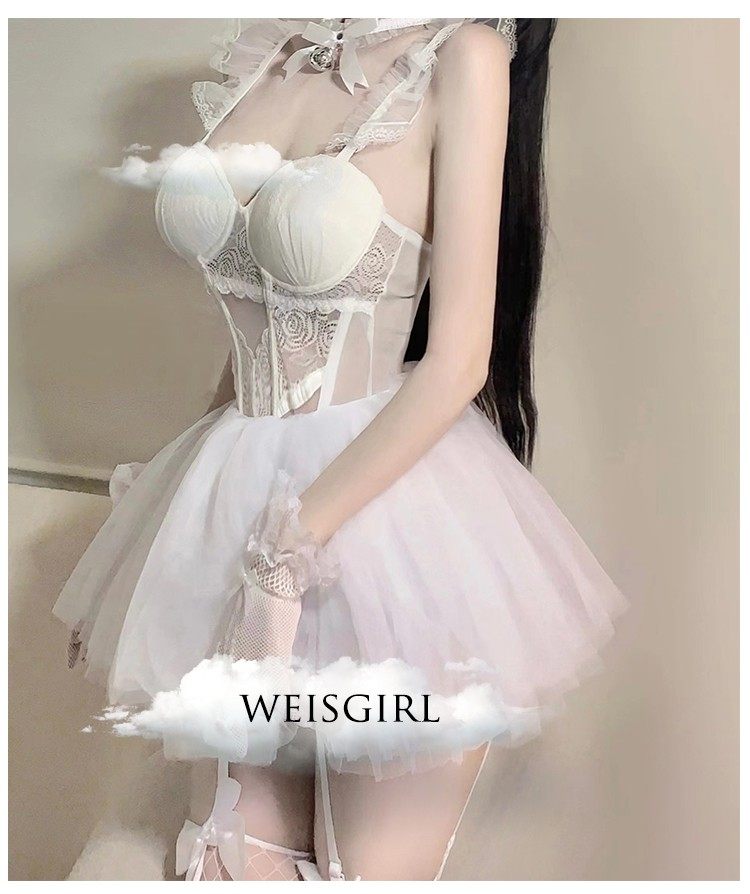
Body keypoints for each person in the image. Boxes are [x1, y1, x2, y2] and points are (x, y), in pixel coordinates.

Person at [55, 18, 625, 880]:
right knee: (230, 858)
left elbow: (458, 362)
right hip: (239, 491)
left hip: (387, 518)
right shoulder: (277, 57)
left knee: (368, 874)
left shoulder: (462, 56)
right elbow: (258, 318)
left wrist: (296, 541)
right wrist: (157, 528)